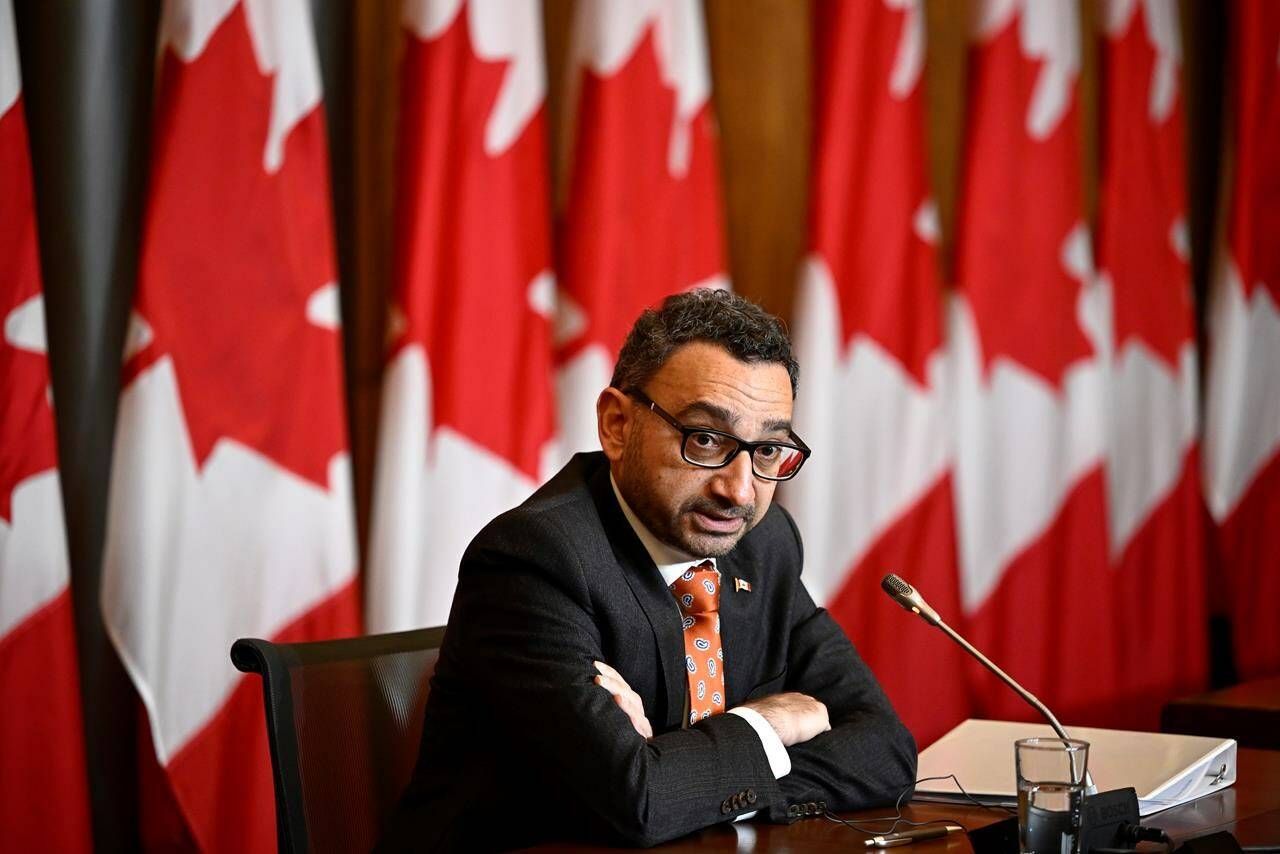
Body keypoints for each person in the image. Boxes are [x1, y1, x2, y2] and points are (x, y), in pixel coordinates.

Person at [381, 289, 917, 851]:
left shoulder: (766, 547)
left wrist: (683, 769)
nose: (738, 490)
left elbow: (886, 751)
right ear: (616, 424)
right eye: (705, 439)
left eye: (767, 451)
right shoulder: (534, 561)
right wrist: (768, 724)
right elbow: (639, 802)